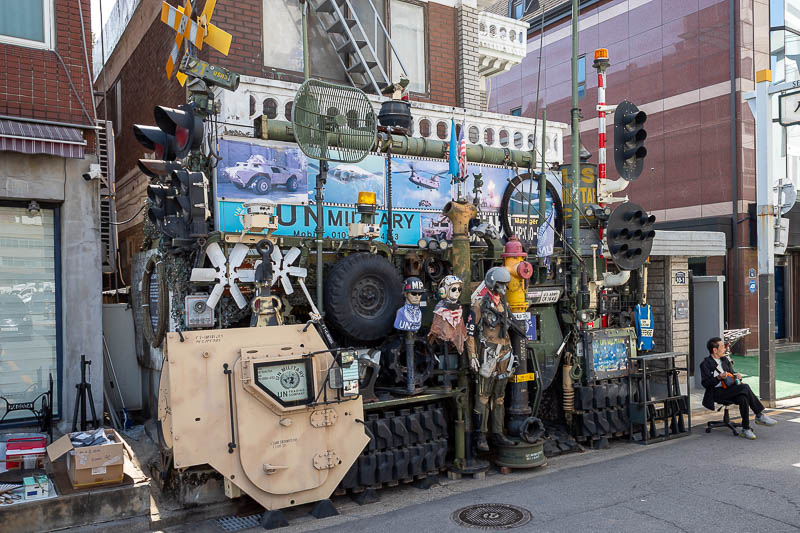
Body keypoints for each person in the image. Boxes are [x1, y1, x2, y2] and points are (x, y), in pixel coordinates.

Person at [700, 337, 777, 439]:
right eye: (722, 346)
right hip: (716, 392)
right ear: (714, 350)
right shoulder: (705, 364)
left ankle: (746, 429)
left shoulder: (725, 360)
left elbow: (732, 374)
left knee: (743, 397)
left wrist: (737, 376)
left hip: (730, 389)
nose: (725, 349)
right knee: (745, 387)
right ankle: (759, 415)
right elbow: (705, 384)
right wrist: (718, 377)